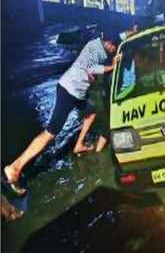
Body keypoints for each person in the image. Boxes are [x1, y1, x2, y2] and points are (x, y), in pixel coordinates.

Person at [3, 37, 117, 195]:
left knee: (90, 114)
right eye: (114, 48)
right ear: (109, 43)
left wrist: (94, 74)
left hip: (77, 93)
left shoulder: (99, 49)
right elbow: (92, 67)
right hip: (68, 90)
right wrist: (112, 66)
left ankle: (79, 145)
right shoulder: (95, 47)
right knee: (50, 133)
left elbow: (89, 70)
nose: (113, 52)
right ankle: (15, 167)